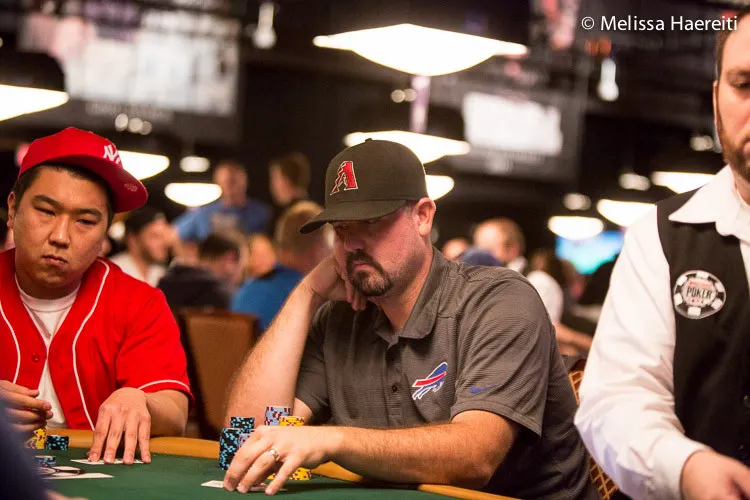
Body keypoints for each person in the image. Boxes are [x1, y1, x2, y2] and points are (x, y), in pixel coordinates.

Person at [223, 140, 596, 499]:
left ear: (422, 217)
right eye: (341, 229)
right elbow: (245, 440)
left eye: (370, 222)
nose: (351, 245)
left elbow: (476, 456)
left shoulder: (500, 301)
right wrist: (306, 295)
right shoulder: (339, 319)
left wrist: (333, 438)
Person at [575, 10, 750, 500]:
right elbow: (616, 399)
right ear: (716, 100)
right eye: (744, 85)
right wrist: (685, 467)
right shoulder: (660, 235)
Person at [0, 127, 191, 466]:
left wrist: (139, 400)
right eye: (46, 211)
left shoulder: (140, 302)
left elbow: (174, 412)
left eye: (85, 221)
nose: (60, 236)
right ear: (13, 210)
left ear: (105, 233)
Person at [232, 201, 332, 331]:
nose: (332, 254)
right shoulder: (311, 298)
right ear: (317, 249)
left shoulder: (246, 290)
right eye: (329, 247)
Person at [173, 160, 271, 242]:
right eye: (227, 181)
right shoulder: (204, 213)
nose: (231, 186)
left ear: (244, 180)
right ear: (218, 182)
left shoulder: (261, 213)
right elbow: (173, 234)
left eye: (233, 181)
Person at [158, 232, 245, 311]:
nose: (242, 271)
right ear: (229, 258)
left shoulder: (163, 286)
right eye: (243, 264)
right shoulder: (229, 298)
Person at [109, 207, 170, 286]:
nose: (164, 243)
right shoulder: (113, 272)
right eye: (155, 236)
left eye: (164, 237)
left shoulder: (161, 273)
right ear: (132, 240)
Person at [269, 152, 311, 232]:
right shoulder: (315, 213)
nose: (272, 185)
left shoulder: (292, 219)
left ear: (286, 181)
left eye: (275, 178)